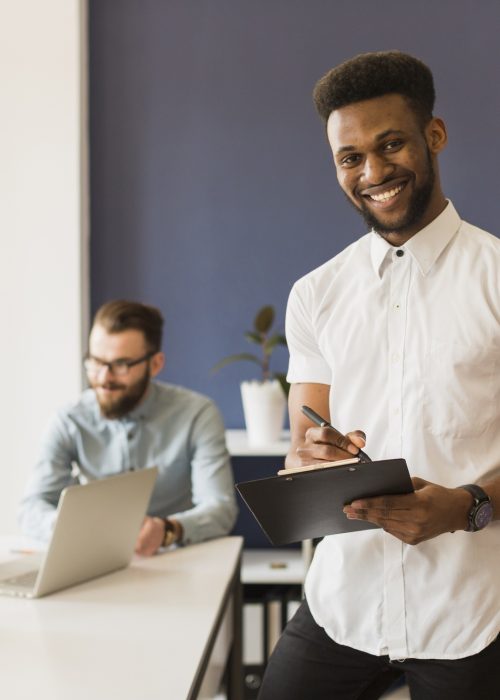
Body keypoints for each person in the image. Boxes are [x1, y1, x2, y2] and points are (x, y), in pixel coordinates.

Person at [258, 51, 500, 700]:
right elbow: (302, 446)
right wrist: (311, 460)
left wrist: (467, 507)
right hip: (345, 600)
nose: (372, 171)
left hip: (475, 610)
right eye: (350, 157)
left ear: (435, 135)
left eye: (391, 144)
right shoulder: (316, 294)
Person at [19, 300, 237, 555]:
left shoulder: (198, 414)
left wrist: (168, 530)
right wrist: (72, 529)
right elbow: (32, 508)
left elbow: (220, 508)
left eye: (120, 365)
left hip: (177, 556)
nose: (103, 378)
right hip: (94, 559)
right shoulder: (68, 420)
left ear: (155, 364)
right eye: (96, 362)